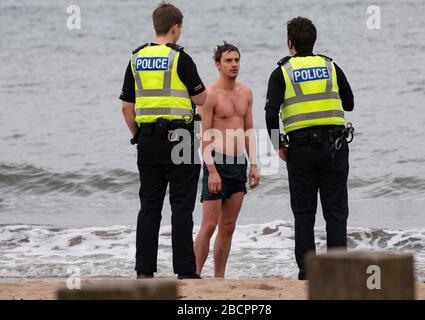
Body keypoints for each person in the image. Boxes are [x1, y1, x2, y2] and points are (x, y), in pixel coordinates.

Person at [120, 2, 207, 280]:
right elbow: (201, 99)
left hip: (147, 140)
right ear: (175, 28)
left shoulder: (136, 58)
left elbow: (126, 106)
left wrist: (137, 136)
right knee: (181, 207)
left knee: (149, 207)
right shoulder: (180, 58)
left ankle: (144, 270)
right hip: (181, 139)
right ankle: (185, 270)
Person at [264, 17, 354, 280]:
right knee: (335, 211)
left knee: (304, 212)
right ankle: (337, 271)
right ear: (313, 41)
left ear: (290, 43)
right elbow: (349, 103)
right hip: (335, 146)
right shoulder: (330, 66)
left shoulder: (282, 71)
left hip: (300, 149)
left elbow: (270, 114)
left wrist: (277, 144)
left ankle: (307, 272)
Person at [194, 42, 260, 278]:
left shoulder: (246, 93)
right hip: (216, 163)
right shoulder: (210, 95)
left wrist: (253, 164)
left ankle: (219, 278)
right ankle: (193, 274)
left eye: (237, 60)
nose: (234, 65)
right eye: (229, 61)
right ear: (218, 65)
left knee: (228, 227)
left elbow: (249, 129)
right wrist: (211, 170)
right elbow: (204, 136)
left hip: (238, 163)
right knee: (209, 225)